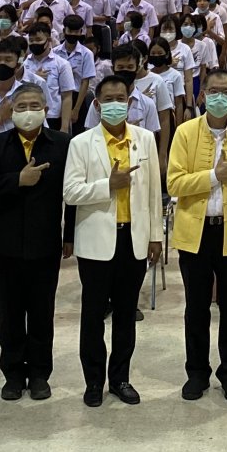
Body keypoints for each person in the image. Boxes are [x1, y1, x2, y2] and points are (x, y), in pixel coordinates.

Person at [164, 67, 227, 401]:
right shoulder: (185, 132)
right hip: (196, 232)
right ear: (202, 94)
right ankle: (196, 372)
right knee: (196, 307)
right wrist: (213, 176)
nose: (220, 97)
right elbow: (174, 183)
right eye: (214, 91)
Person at [64, 72, 163, 407]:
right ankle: (94, 381)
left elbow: (152, 194)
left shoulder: (144, 139)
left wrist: (155, 236)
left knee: (125, 315)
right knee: (92, 315)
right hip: (95, 241)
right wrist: (108, 185)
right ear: (96, 104)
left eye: (121, 99)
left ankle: (120, 378)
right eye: (108, 99)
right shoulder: (80, 143)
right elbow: (71, 192)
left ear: (130, 101)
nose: (116, 105)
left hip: (133, 239)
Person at [0, 82, 72, 400]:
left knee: (42, 312)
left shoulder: (61, 143)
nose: (28, 112)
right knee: (11, 314)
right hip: (6, 244)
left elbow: (72, 195)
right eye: (21, 107)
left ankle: (40, 374)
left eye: (34, 106)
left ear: (46, 109)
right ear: (11, 111)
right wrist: (17, 179)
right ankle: (13, 374)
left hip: (46, 242)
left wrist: (69, 236)